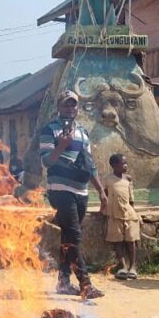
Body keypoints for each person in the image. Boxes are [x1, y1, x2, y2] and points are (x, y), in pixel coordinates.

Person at [39, 90, 108, 299]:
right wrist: (61, 146)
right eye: (66, 104)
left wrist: (101, 192)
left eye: (73, 104)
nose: (70, 108)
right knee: (74, 235)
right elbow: (46, 161)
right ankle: (85, 284)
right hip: (61, 190)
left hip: (81, 191)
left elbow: (90, 165)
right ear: (59, 107)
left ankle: (63, 282)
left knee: (68, 237)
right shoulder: (49, 130)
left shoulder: (82, 132)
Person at [102, 154, 140, 280]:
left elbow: (131, 198)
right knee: (118, 241)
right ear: (114, 165)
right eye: (123, 163)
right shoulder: (108, 179)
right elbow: (104, 195)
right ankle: (123, 267)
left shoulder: (128, 179)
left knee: (131, 240)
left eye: (126, 163)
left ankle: (133, 267)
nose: (125, 165)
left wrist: (134, 211)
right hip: (114, 214)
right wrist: (103, 209)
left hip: (129, 213)